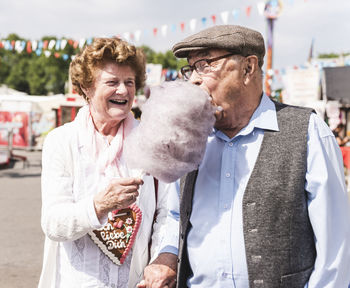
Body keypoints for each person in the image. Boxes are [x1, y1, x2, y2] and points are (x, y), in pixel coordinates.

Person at [139, 25, 350, 288]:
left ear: (248, 68)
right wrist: (167, 256)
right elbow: (176, 216)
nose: (193, 78)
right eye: (190, 68)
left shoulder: (307, 131)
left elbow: (335, 254)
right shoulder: (190, 136)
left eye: (205, 64)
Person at [38, 37, 176, 288]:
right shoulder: (62, 141)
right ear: (86, 88)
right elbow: (53, 223)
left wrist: (160, 262)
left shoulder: (152, 140)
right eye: (112, 82)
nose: (123, 91)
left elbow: (167, 213)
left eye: (129, 82)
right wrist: (99, 205)